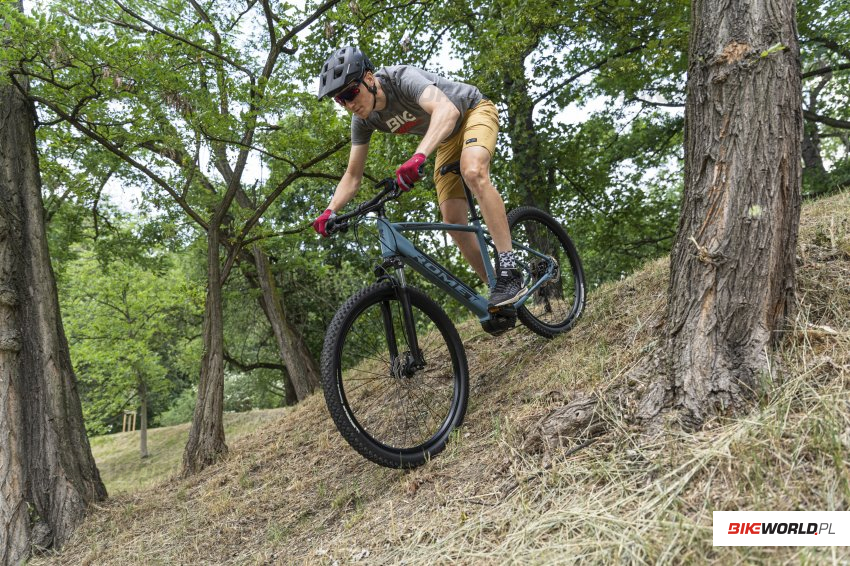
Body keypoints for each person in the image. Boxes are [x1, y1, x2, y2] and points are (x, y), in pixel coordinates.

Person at [312, 46, 525, 307]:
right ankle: (500, 293)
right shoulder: (364, 121)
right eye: (340, 100)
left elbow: (447, 112)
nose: (348, 104)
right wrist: (330, 210)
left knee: (473, 171)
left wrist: (418, 156)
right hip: (446, 139)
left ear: (368, 79)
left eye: (350, 93)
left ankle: (509, 270)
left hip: (473, 111)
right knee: (452, 220)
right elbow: (352, 175)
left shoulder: (401, 79)